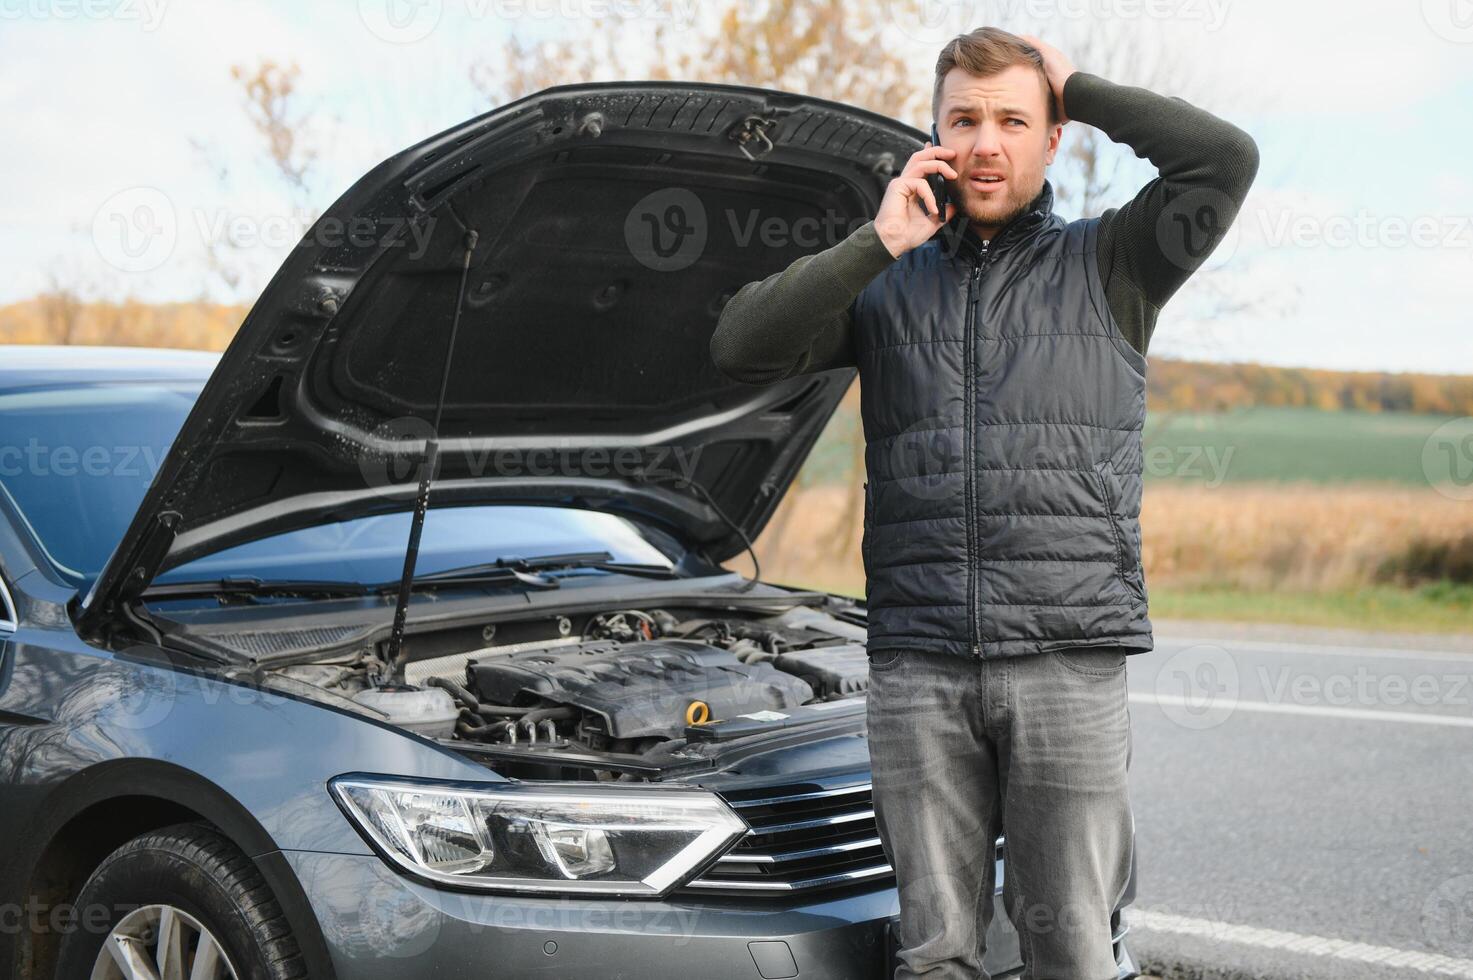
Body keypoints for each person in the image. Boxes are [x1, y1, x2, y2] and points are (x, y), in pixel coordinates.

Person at [709, 28, 1259, 980]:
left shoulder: (1117, 263)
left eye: (1014, 119)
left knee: (1070, 948)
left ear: (1054, 141)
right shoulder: (883, 283)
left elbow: (1223, 159)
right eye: (963, 118)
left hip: (1065, 661)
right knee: (934, 955)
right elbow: (740, 343)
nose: (985, 142)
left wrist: (1075, 85)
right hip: (918, 666)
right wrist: (877, 241)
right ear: (933, 135)